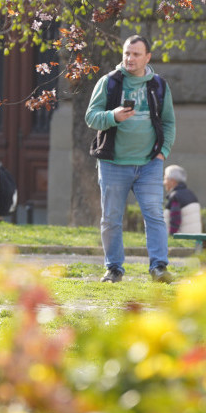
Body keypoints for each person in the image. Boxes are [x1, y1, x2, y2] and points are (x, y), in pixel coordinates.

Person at [85, 35, 176, 283]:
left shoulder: (158, 86)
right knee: (111, 218)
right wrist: (113, 116)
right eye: (126, 53)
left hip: (149, 164)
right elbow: (91, 117)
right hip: (113, 163)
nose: (130, 58)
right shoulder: (109, 83)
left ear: (147, 57)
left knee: (154, 215)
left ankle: (158, 267)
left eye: (136, 54)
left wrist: (162, 153)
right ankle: (114, 268)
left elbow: (169, 123)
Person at [163, 165, 202, 235]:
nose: (164, 182)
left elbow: (175, 220)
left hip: (182, 241)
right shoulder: (191, 194)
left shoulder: (175, 196)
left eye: (165, 179)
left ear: (172, 181)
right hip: (195, 241)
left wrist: (172, 236)